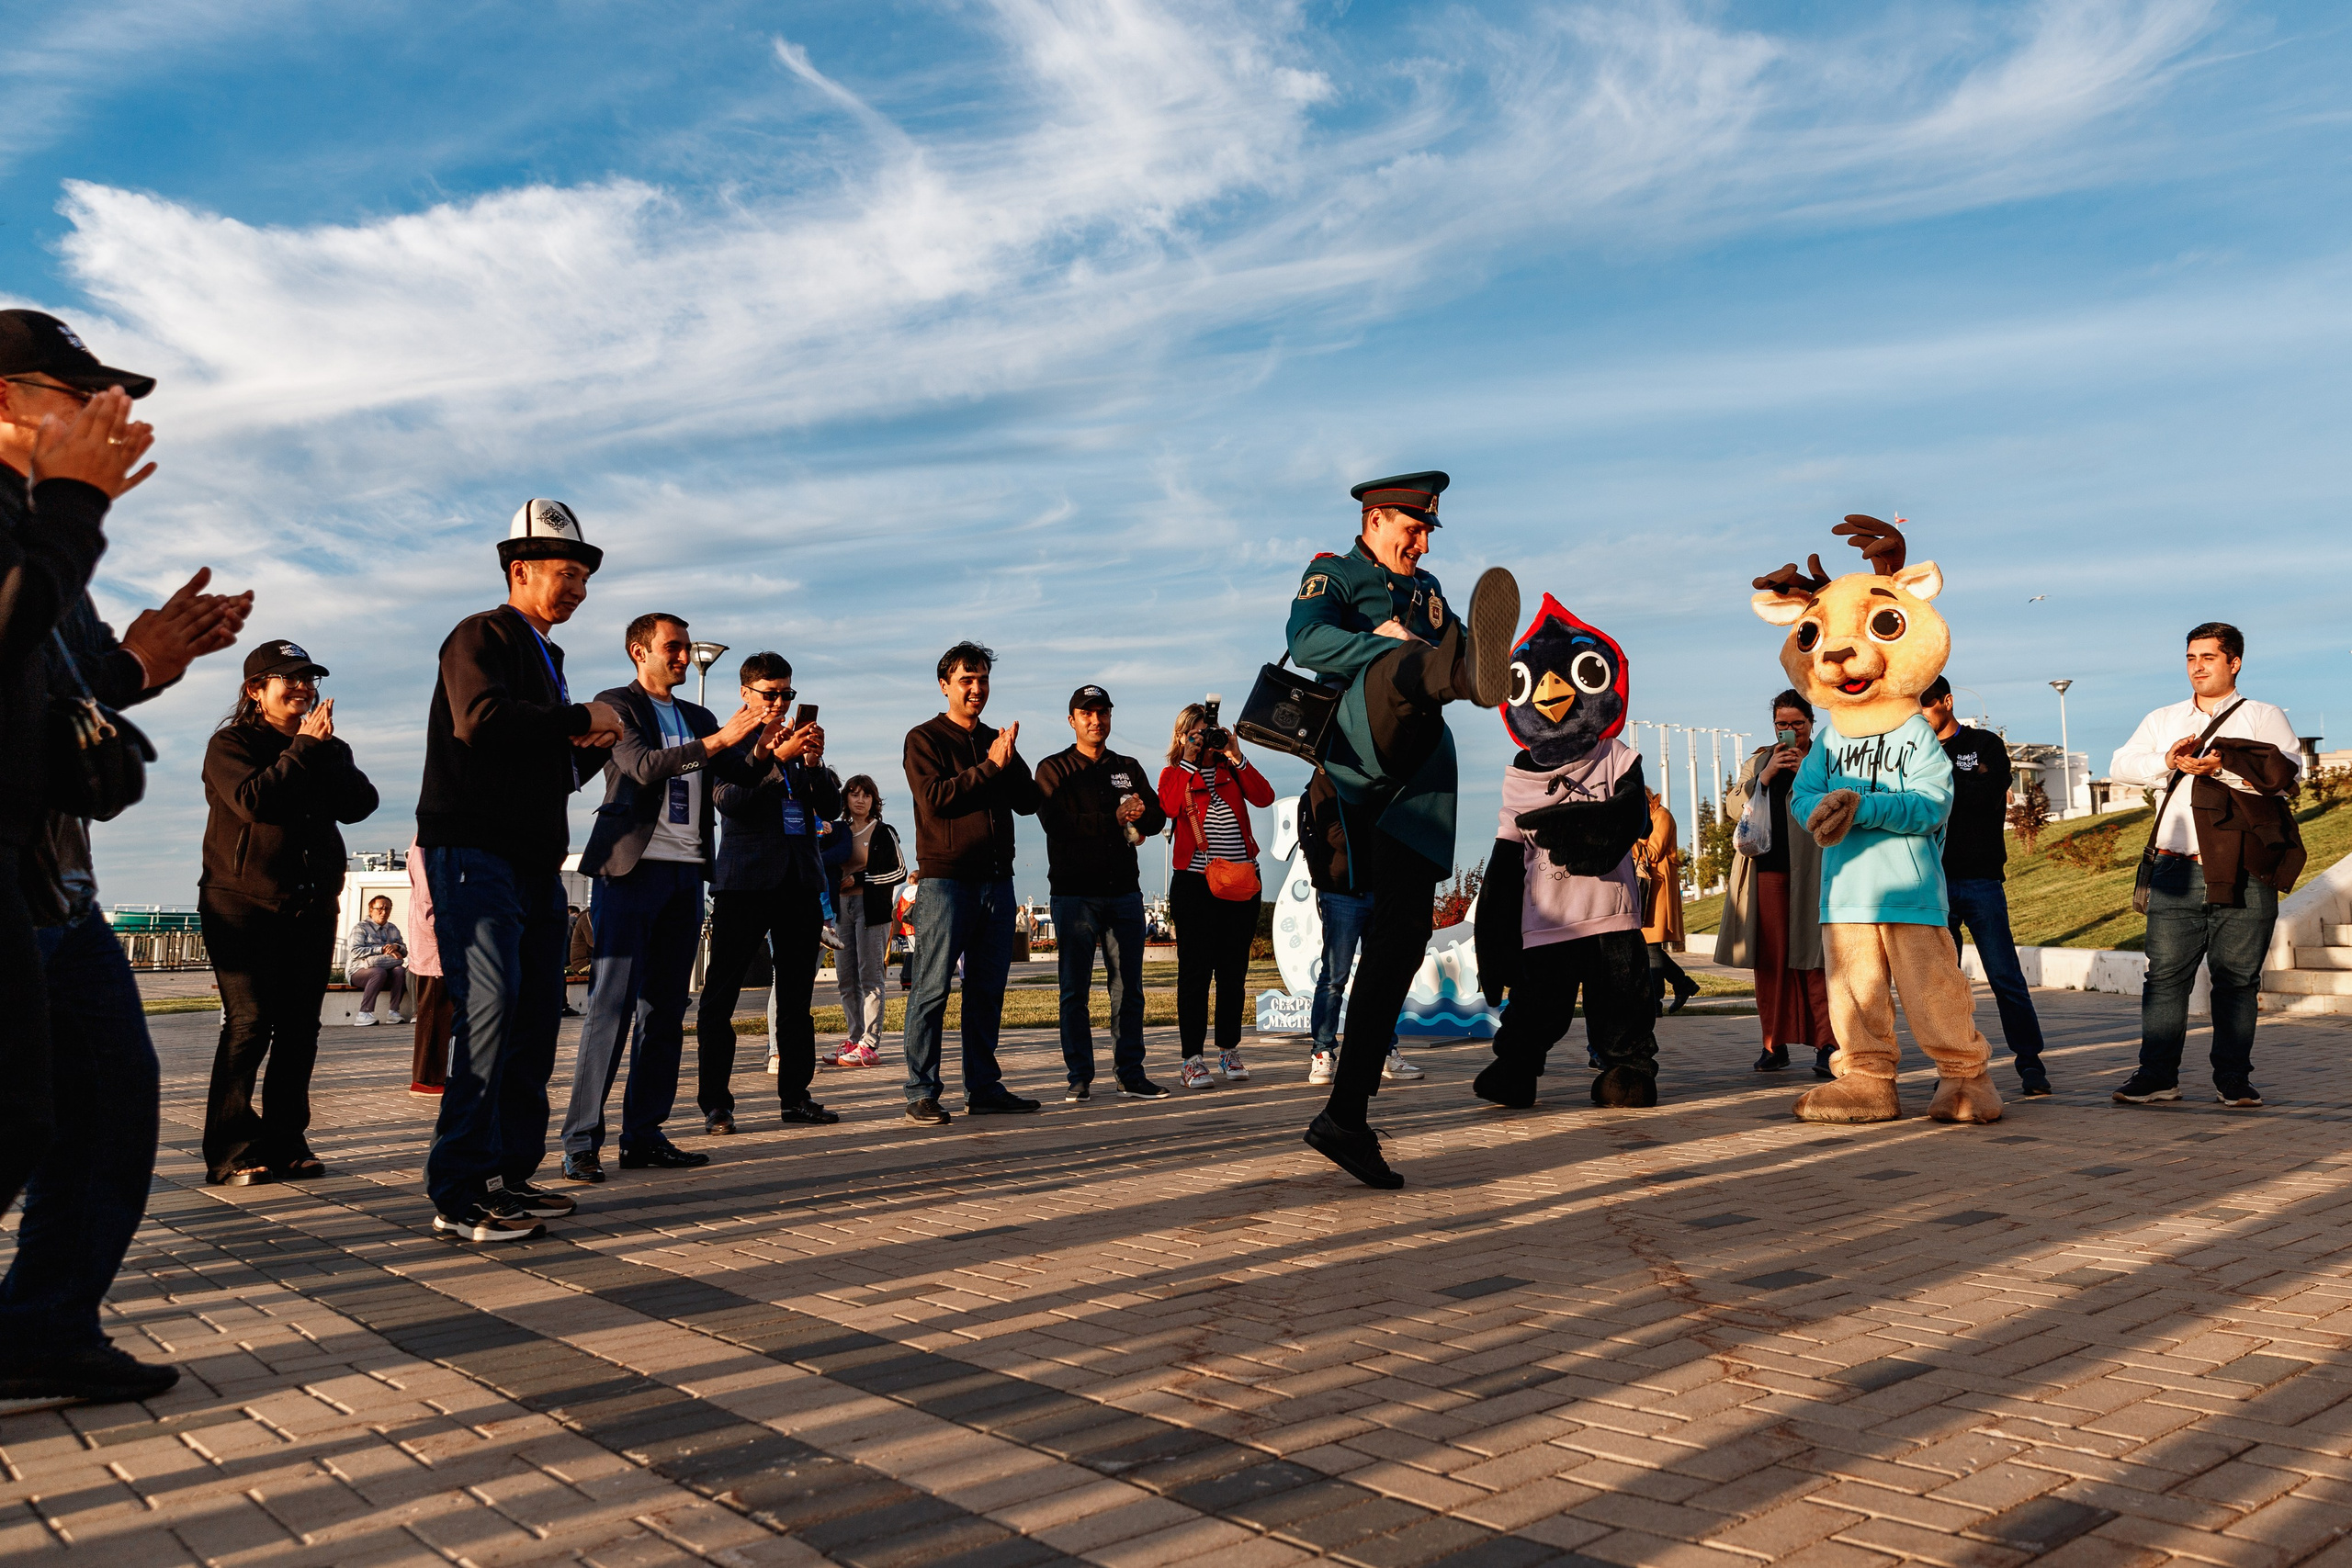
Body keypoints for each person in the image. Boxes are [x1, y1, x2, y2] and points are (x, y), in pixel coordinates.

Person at [1, 312, 253, 1405]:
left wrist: (143, 663)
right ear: (4, 399)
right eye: (80, 394)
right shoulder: (37, 519)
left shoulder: (38, 529)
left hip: (57, 878)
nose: (110, 415)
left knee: (108, 1104)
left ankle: (42, 1328)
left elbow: (55, 691)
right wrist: (73, 502)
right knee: (9, 1116)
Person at [1285, 471, 1518, 1186]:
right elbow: (1306, 640)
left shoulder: (1430, 591)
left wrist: (1483, 664)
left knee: (1402, 938)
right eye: (1412, 529)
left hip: (1417, 783)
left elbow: (1454, 648)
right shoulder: (1336, 574)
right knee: (1401, 661)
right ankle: (1446, 671)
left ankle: (1345, 1115)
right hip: (1363, 742)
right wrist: (1382, 644)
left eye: (1427, 533)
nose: (1421, 544)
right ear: (1376, 519)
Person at [417, 499, 621, 1243]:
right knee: (490, 1007)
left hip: (534, 860)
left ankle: (509, 1173)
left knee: (535, 1014)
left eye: (585, 578)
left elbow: (550, 767)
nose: (579, 590)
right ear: (521, 570)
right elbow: (479, 719)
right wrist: (579, 718)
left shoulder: (549, 659)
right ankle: (459, 1189)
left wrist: (593, 746)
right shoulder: (482, 634)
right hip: (474, 849)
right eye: (566, 574)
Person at [561, 614, 763, 1178]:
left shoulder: (697, 716)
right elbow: (642, 767)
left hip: (685, 875)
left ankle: (644, 1135)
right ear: (638, 651)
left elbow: (739, 774)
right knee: (611, 1006)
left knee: (667, 1011)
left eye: (685, 648)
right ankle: (581, 1141)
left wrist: (772, 750)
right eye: (672, 647)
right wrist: (719, 740)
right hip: (631, 871)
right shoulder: (616, 706)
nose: (682, 656)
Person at [198, 640, 379, 1185]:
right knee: (250, 1022)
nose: (303, 688)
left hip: (311, 903)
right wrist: (302, 748)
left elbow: (361, 805)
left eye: (310, 679)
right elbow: (255, 801)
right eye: (290, 678)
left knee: (300, 1028)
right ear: (256, 689)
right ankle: (230, 1148)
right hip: (240, 903)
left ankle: (286, 1140)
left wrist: (324, 751)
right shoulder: (230, 744)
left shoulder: (326, 746)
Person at [1470, 595, 1659, 1110]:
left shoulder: (1616, 756)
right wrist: (1494, 937)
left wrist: (1587, 833)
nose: (1552, 689)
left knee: (1621, 1000)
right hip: (1546, 917)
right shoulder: (1521, 775)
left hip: (1610, 913)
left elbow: (1631, 817)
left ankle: (1627, 1069)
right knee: (1537, 1003)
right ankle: (1516, 1066)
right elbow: (1506, 858)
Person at [2108, 623, 2302, 1109]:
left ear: (2234, 662)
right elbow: (2121, 765)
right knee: (2164, 976)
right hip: (2175, 869)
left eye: (2208, 657)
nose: (2197, 667)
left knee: (2237, 979)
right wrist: (2168, 759)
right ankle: (2157, 1076)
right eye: (2191, 657)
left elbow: (2285, 775)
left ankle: (2233, 1078)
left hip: (2244, 868)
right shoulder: (2163, 718)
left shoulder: (2263, 716)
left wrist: (2225, 768)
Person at [694, 652, 839, 1134]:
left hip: (799, 884)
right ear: (745, 692)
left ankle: (795, 1096)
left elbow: (831, 809)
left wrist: (813, 764)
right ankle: (716, 1103)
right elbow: (729, 801)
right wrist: (774, 760)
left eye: (786, 694)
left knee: (796, 1000)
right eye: (769, 693)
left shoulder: (798, 742)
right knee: (721, 997)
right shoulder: (730, 742)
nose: (779, 702)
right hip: (744, 883)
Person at [899, 641, 1042, 1124]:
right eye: (966, 680)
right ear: (945, 686)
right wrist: (990, 767)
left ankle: (983, 1087)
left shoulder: (995, 740)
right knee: (931, 989)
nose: (977, 688)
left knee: (987, 990)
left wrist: (1009, 760)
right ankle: (921, 1091)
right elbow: (936, 798)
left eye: (982, 679)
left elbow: (1028, 802)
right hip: (947, 882)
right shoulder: (923, 739)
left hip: (997, 882)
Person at [1035, 686, 1170, 1100]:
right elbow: (1057, 823)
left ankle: (1131, 1074)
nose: (1096, 721)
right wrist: (1112, 817)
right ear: (1072, 720)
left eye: (1103, 712)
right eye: (1087, 713)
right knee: (1074, 990)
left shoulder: (1127, 767)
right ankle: (1079, 1076)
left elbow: (1158, 817)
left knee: (1128, 989)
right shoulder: (1053, 768)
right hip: (1074, 895)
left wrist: (1142, 814)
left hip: (1124, 893)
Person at [1922, 676, 2050, 1096]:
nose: (1920, 712)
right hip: (1933, 884)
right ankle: (1955, 1068)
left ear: (1947, 701)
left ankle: (2031, 1064)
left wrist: (1942, 785)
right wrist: (1965, 781)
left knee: (2004, 976)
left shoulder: (1985, 744)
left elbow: (1987, 797)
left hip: (1981, 880)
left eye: (1927, 703)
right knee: (1944, 986)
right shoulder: (1915, 750)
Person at [1715, 692, 1838, 1077]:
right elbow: (1732, 807)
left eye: (1797, 724)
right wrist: (1764, 778)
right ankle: (1773, 1044)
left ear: (1811, 723)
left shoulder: (1827, 758)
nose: (1789, 731)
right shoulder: (1758, 761)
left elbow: (1840, 805)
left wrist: (1806, 775)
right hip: (1765, 873)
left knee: (1815, 959)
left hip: (1814, 872)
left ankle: (1828, 1044)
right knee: (1771, 962)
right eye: (1781, 724)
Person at [1158, 705, 1275, 1090]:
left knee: (1233, 972)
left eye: (1208, 731)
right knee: (1195, 972)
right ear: (1181, 737)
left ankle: (1228, 1049)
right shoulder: (1173, 773)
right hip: (1195, 884)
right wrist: (1188, 761)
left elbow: (1265, 797)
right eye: (1195, 732)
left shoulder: (1231, 771)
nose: (1204, 739)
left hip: (1240, 882)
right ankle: (1191, 1059)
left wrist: (1237, 756)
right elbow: (1168, 808)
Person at [826, 773, 906, 1067]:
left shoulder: (883, 831)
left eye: (866, 795)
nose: (860, 800)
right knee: (846, 979)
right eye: (854, 794)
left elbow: (900, 871)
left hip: (871, 910)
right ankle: (854, 1037)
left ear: (874, 800)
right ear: (846, 798)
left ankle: (870, 1043)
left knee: (870, 977)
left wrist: (860, 879)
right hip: (841, 909)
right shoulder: (838, 830)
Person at [1635, 790, 1698, 1014]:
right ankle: (1681, 985)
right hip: (1649, 886)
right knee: (1648, 945)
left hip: (1658, 886)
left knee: (1651, 944)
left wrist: (1628, 838)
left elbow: (1652, 853)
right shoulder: (1650, 817)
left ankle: (1655, 1001)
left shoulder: (1661, 816)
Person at [407, 839, 451, 1096]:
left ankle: (438, 1075)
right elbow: (426, 895)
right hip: (435, 942)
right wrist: (441, 930)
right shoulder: (426, 840)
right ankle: (426, 1079)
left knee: (443, 1011)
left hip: (441, 939)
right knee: (435, 1009)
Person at [348, 895, 409, 1025]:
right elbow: (354, 952)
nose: (384, 912)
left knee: (400, 970)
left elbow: (404, 951)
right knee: (378, 972)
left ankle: (393, 1012)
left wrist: (396, 947)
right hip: (359, 969)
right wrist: (381, 950)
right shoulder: (360, 928)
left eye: (387, 909)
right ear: (371, 910)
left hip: (387, 969)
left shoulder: (393, 928)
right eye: (380, 908)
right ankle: (363, 1014)